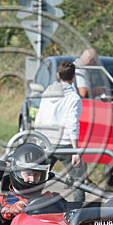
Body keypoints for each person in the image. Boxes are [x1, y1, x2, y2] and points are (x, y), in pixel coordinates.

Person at [33, 60, 86, 202]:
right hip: (64, 144)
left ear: (58, 75)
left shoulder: (47, 93)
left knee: (37, 179)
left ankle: (29, 207)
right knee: (78, 181)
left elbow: (39, 119)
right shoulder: (73, 98)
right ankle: (78, 212)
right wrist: (76, 151)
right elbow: (72, 124)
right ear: (73, 77)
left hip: (47, 142)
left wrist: (38, 142)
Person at [0, 143, 54, 225]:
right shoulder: (1, 200)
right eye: (28, 173)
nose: (33, 179)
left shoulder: (50, 198)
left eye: (37, 174)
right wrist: (8, 212)